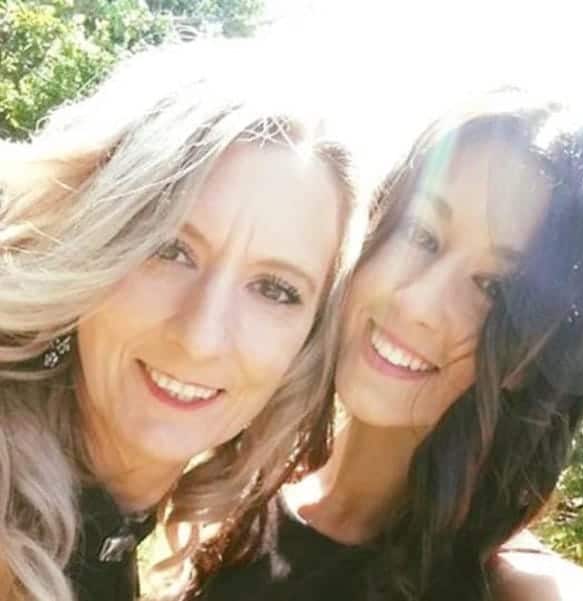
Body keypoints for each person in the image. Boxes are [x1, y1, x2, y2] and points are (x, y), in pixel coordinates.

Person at [193, 94, 583, 600]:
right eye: (421, 234)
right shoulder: (236, 486)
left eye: (494, 288)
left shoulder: (507, 584)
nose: (417, 302)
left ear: (534, 357)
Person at [0, 40, 366, 601]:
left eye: (274, 289)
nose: (201, 337)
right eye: (170, 249)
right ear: (92, 239)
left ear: (308, 344)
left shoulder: (108, 531)